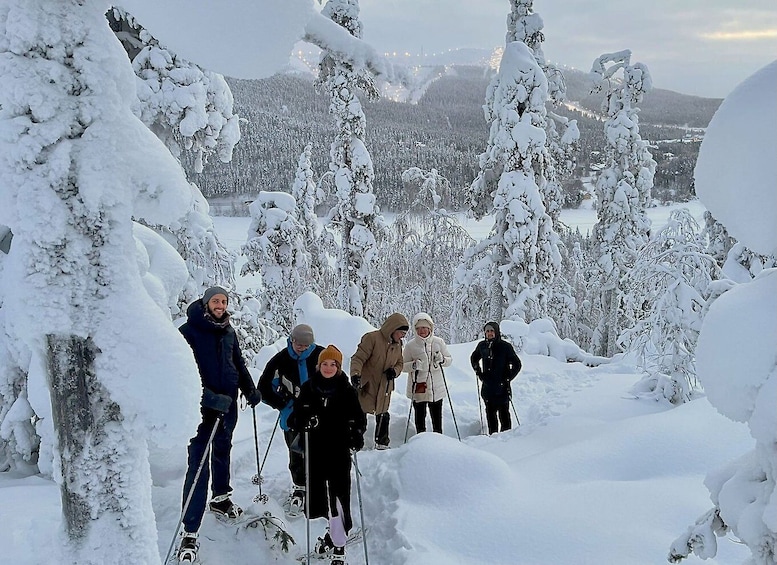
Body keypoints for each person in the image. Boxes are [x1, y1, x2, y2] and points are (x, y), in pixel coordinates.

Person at [176, 286, 262, 563]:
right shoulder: (189, 332)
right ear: (205, 303)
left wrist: (249, 389)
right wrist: (211, 399)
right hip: (201, 411)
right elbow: (182, 377)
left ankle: (221, 498)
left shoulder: (228, 331)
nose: (220, 305)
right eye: (216, 301)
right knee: (199, 463)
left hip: (228, 409)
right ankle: (190, 530)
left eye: (224, 301)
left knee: (223, 451)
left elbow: (237, 362)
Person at [288, 345, 366, 565]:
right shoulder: (308, 388)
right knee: (321, 500)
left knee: (339, 497)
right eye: (325, 364)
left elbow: (359, 419)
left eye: (334, 364)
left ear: (339, 367)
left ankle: (339, 545)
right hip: (315, 452)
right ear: (318, 366)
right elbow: (294, 418)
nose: (329, 368)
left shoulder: (347, 390)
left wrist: (356, 434)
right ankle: (331, 536)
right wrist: (301, 421)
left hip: (339, 451)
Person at [258, 323, 323, 517]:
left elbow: (336, 379)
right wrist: (281, 403)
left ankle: (317, 487)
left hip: (318, 414)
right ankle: (299, 487)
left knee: (318, 450)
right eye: (299, 344)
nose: (302, 347)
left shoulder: (321, 355)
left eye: (306, 344)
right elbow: (264, 387)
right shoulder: (280, 360)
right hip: (292, 415)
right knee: (296, 452)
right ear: (292, 340)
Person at [349, 313, 409, 449]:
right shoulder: (372, 338)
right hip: (367, 384)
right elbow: (358, 358)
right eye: (401, 333)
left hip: (385, 386)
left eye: (404, 334)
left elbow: (400, 363)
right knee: (360, 416)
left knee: (383, 414)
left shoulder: (398, 344)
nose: (402, 336)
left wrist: (395, 371)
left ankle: (382, 442)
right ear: (392, 329)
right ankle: (354, 444)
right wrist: (355, 374)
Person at [402, 312, 453, 435]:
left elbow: (449, 360)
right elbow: (403, 366)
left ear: (430, 328)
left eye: (424, 328)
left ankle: (439, 440)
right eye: (419, 328)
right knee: (420, 418)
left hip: (437, 388)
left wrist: (442, 359)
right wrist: (413, 365)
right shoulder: (410, 346)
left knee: (437, 419)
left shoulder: (438, 342)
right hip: (419, 387)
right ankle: (421, 440)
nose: (422, 331)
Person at [470, 321, 521, 435]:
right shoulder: (482, 346)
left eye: (492, 331)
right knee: (490, 416)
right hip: (488, 388)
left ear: (497, 332)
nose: (489, 333)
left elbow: (517, 364)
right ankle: (492, 439)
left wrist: (508, 378)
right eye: (487, 331)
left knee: (504, 416)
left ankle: (507, 439)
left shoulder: (505, 346)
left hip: (502, 388)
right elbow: (474, 358)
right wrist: (479, 372)